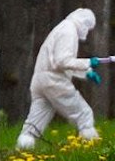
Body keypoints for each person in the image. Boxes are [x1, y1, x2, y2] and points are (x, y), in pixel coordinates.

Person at [16, 8, 102, 150]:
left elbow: (59, 62)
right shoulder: (69, 31)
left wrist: (86, 73)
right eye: (87, 27)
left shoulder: (61, 28)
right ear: (83, 23)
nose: (86, 31)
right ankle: (92, 151)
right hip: (54, 81)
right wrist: (87, 63)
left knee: (33, 124)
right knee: (84, 114)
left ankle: (22, 152)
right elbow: (62, 61)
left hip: (40, 80)